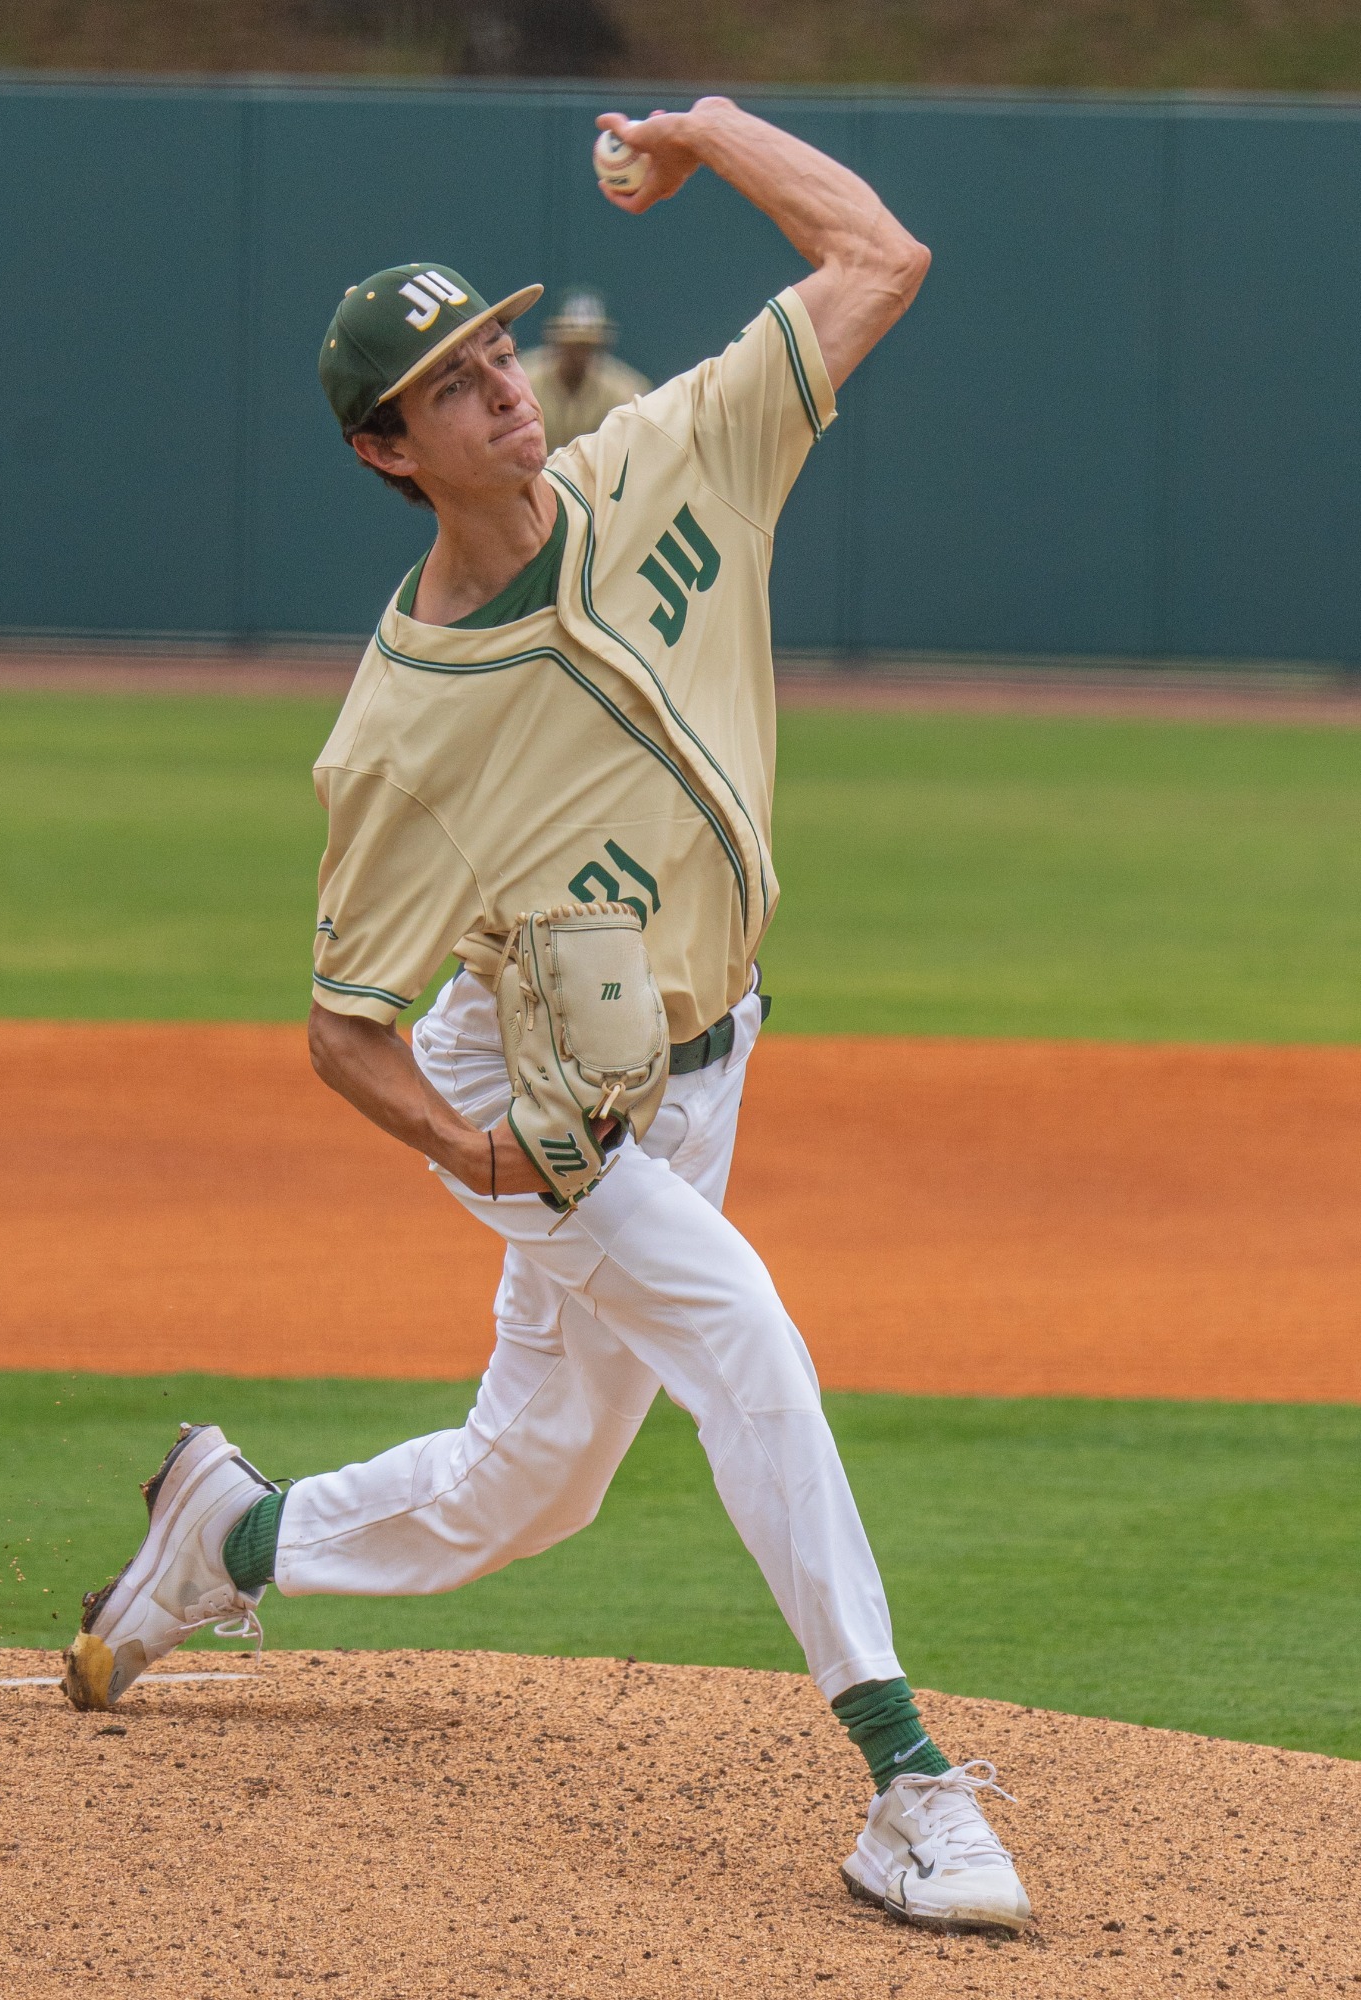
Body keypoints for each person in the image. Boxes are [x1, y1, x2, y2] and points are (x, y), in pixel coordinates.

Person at [64, 97, 1033, 1938]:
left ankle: (228, 1534)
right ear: (386, 450)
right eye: (450, 381)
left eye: (497, 348)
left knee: (535, 1487)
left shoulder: (674, 454)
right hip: (539, 1093)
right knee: (745, 1339)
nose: (501, 387)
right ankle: (908, 1786)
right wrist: (475, 1148)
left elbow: (877, 259)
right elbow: (341, 1029)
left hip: (704, 1056)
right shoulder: (399, 737)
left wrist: (710, 130)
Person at [520, 287, 652, 448]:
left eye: (587, 346)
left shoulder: (624, 391)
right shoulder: (524, 383)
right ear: (557, 342)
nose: (579, 354)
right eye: (572, 345)